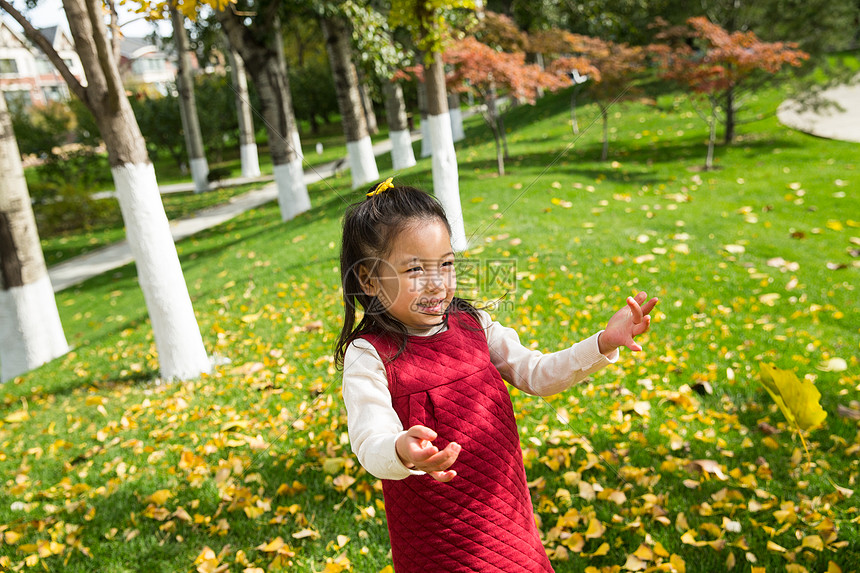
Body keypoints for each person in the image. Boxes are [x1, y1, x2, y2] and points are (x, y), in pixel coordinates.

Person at [335, 178, 659, 573]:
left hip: (505, 516)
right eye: (415, 269)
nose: (438, 283)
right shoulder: (368, 354)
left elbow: (537, 374)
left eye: (447, 264)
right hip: (436, 536)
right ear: (369, 280)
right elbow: (370, 439)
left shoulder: (474, 324)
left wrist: (602, 343)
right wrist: (402, 450)